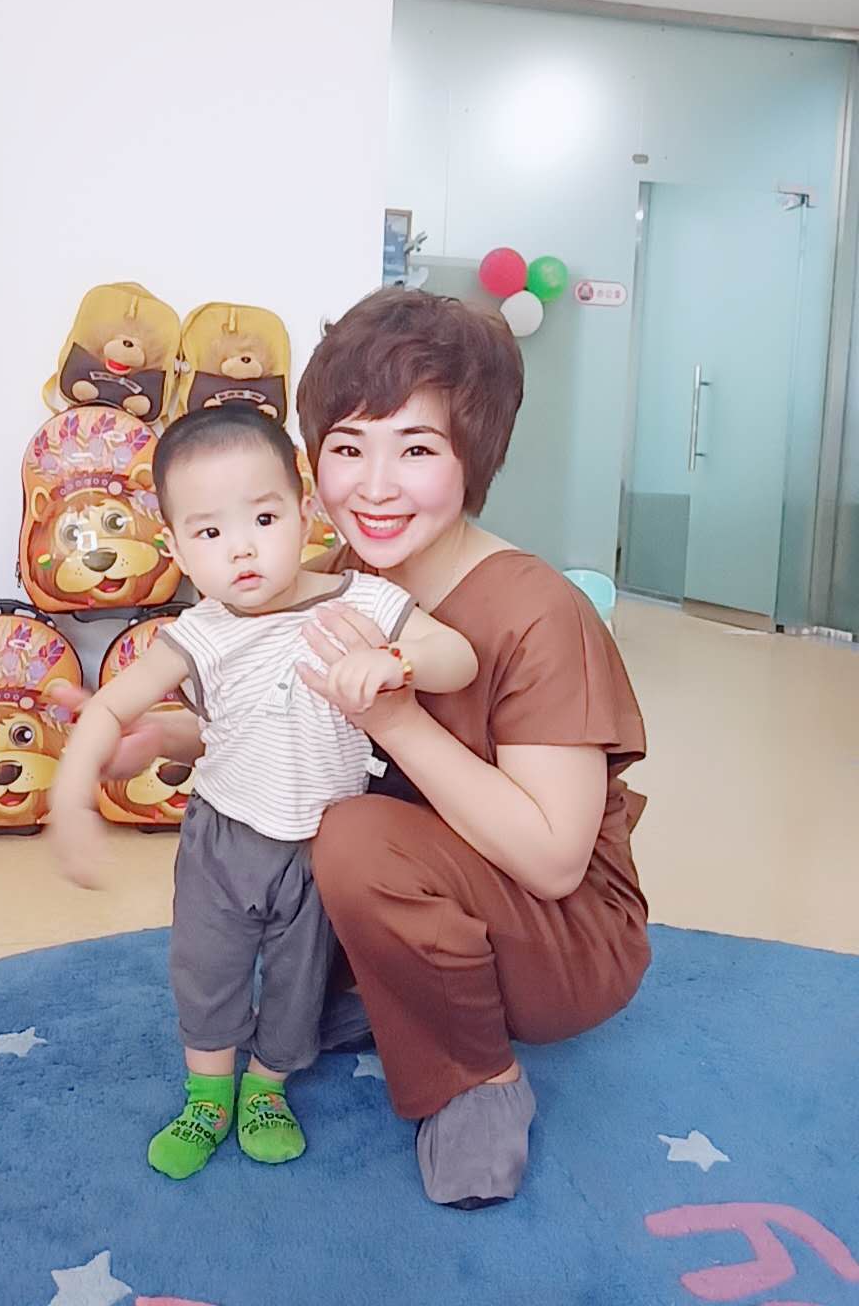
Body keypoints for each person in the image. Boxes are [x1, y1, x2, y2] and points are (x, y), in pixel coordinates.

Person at [49, 403, 477, 1183]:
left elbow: (458, 657)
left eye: (265, 518)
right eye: (210, 532)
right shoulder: (201, 633)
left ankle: (266, 1089)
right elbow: (110, 707)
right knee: (206, 971)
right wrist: (72, 796)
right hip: (223, 841)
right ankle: (209, 1096)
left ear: (305, 511)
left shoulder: (363, 602)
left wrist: (397, 662)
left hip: (323, 846)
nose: (242, 549)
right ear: (176, 547)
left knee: (298, 981)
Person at [291, 288, 651, 1209]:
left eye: (416, 449)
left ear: (472, 459)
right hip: (444, 880)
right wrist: (154, 738)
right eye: (348, 447)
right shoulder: (340, 579)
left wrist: (398, 720)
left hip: (563, 936)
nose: (374, 487)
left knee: (354, 837)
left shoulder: (536, 612)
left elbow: (556, 859)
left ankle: (479, 1080)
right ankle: (383, 992)